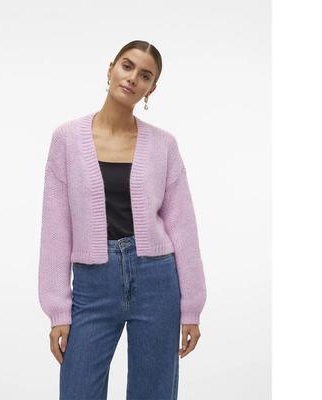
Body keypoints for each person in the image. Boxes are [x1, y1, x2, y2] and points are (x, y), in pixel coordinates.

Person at [38, 40, 207, 400]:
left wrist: (191, 307)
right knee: (78, 390)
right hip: (93, 285)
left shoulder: (164, 145)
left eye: (145, 75)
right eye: (127, 66)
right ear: (111, 68)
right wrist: (58, 311)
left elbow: (182, 225)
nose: (133, 78)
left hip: (157, 280)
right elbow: (56, 227)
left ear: (151, 89)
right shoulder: (67, 139)